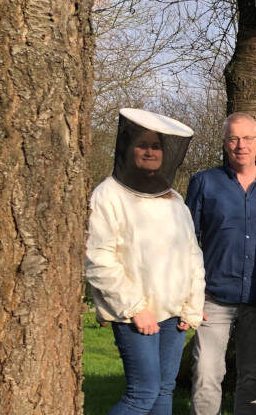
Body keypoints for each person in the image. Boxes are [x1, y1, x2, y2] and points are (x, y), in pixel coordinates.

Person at [85, 108, 205, 414]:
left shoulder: (175, 200)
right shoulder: (107, 195)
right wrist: (136, 308)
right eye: (143, 144)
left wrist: (190, 308)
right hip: (134, 315)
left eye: (156, 146)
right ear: (129, 148)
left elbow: (192, 256)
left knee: (163, 391)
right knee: (143, 393)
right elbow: (99, 259)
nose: (150, 151)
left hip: (172, 316)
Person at [186, 112, 256, 415]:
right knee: (207, 375)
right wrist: (192, 294)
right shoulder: (204, 182)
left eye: (247, 139)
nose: (240, 145)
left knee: (251, 378)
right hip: (214, 298)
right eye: (233, 138)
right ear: (224, 143)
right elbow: (187, 239)